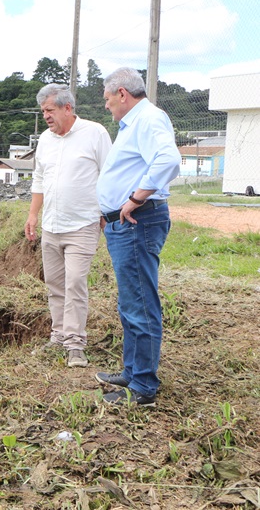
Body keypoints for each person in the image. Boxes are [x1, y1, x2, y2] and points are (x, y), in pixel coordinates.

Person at [96, 67, 181, 407]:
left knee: (141, 304)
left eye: (107, 99)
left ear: (121, 93)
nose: (106, 107)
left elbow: (168, 160)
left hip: (137, 220)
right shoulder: (134, 123)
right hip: (124, 222)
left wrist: (133, 200)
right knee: (130, 302)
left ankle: (143, 387)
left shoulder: (147, 118)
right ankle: (132, 371)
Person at [26, 84, 111, 368]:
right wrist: (33, 215)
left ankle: (76, 343)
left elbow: (109, 174)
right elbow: (39, 179)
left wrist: (105, 213)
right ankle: (58, 335)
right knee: (55, 284)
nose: (46, 116)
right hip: (51, 224)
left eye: (49, 110)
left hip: (83, 223)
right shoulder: (45, 140)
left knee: (75, 283)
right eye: (43, 111)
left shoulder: (94, 133)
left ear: (67, 108)